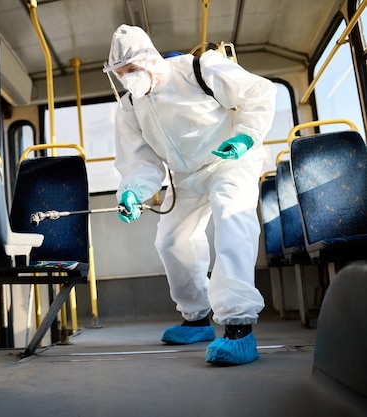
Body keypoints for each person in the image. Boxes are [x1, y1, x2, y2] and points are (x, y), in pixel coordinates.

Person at [103, 24, 276, 365]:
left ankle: (239, 328)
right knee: (171, 240)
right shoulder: (130, 108)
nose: (128, 80)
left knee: (232, 221)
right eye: (121, 74)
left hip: (230, 161)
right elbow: (141, 163)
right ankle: (197, 318)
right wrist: (133, 192)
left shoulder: (199, 68)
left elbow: (259, 93)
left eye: (132, 71)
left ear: (151, 59)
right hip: (185, 177)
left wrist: (244, 137)